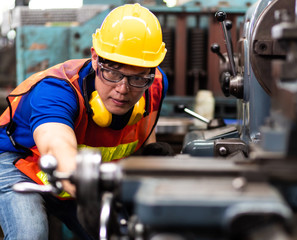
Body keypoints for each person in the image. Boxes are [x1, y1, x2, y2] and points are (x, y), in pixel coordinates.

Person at [0, 3, 171, 239]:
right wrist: (92, 190)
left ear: (152, 71)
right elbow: (55, 147)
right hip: (21, 164)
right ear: (94, 57)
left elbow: (145, 127)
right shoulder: (56, 90)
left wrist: (151, 150)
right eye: (112, 71)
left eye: (137, 78)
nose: (123, 89)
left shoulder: (155, 85)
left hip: (81, 177)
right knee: (31, 233)